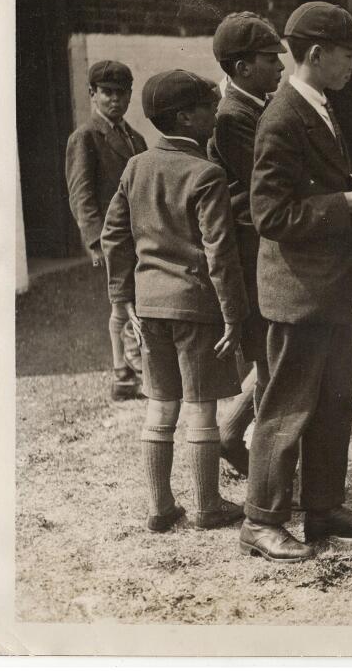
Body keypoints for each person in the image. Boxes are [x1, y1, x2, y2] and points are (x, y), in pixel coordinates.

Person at [239, 2, 352, 563]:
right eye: (349, 55)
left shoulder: (318, 105)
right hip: (298, 294)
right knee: (286, 408)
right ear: (315, 54)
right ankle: (261, 521)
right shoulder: (281, 116)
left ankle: (324, 508)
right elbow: (270, 215)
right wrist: (343, 204)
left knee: (335, 403)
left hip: (327, 289)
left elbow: (317, 180)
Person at [101, 69, 248, 533]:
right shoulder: (206, 173)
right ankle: (208, 507)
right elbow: (219, 251)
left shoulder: (136, 165)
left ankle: (161, 506)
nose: (215, 113)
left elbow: (113, 236)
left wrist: (123, 300)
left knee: (160, 407)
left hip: (149, 307)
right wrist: (233, 314)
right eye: (208, 106)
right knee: (202, 409)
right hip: (197, 308)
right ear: (186, 117)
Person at [206, 11, 287, 476]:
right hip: (251, 247)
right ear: (241, 68)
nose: (280, 67)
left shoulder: (253, 107)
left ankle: (230, 435)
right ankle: (248, 449)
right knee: (270, 351)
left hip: (262, 241)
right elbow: (268, 180)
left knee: (273, 353)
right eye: (270, 59)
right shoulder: (232, 117)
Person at [65, 60, 148, 401]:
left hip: (138, 235)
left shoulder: (136, 138)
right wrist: (95, 241)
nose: (115, 100)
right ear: (92, 94)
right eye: (107, 93)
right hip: (112, 238)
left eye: (121, 93)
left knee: (129, 300)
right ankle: (127, 372)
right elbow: (81, 193)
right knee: (123, 302)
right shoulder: (86, 137)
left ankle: (125, 376)